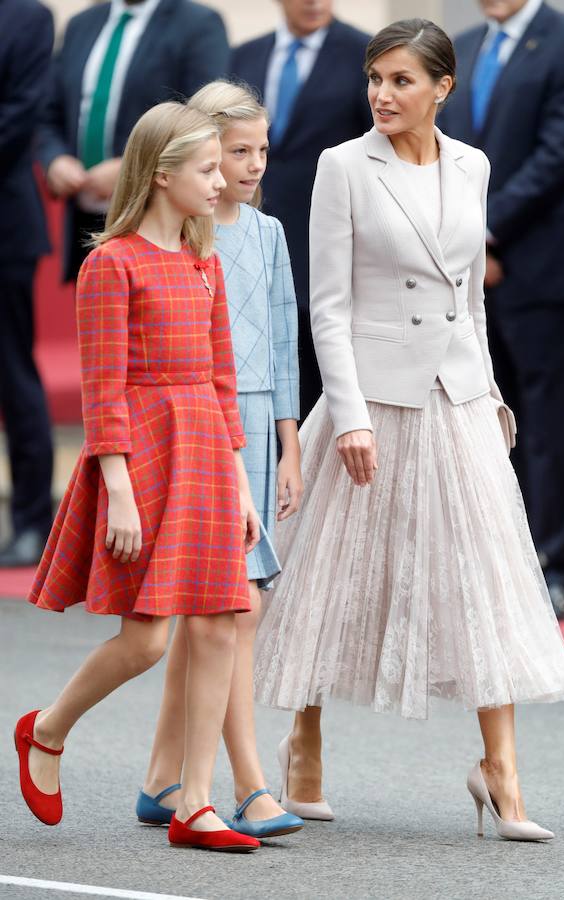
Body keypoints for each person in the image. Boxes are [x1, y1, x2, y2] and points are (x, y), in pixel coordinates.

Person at [252, 19, 564, 839]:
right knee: (335, 576)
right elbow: (326, 305)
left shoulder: (473, 165)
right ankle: (305, 741)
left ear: (442, 87)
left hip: (459, 396)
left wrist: (491, 393)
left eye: (401, 80)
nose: (382, 95)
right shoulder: (343, 166)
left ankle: (500, 774)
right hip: (375, 398)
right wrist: (351, 413)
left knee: (486, 578)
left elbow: (467, 297)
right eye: (375, 78)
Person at [15, 102, 262, 853]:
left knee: (222, 621)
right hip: (144, 455)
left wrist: (241, 480)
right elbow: (104, 389)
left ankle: (195, 803)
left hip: (207, 457)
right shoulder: (110, 262)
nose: (222, 182)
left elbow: (223, 382)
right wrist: (117, 485)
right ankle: (47, 729)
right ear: (162, 175)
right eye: (209, 169)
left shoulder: (205, 261)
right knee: (149, 641)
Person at [134, 81, 304, 840]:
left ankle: (162, 777)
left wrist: (291, 442)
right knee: (234, 610)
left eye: (261, 151)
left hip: (257, 425)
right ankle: (250, 783)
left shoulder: (267, 234)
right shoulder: (192, 238)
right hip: (203, 427)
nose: (252, 165)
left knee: (217, 613)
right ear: (201, 154)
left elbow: (282, 338)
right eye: (237, 152)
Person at [438, 0, 564, 620]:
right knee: (482, 422)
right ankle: (499, 564)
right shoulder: (466, 45)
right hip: (470, 275)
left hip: (540, 268)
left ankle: (557, 569)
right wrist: (464, 240)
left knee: (550, 426)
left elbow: (560, 154)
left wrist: (485, 232)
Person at [230, 0, 372, 421]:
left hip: (326, 242)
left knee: (317, 378)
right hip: (252, 238)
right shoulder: (246, 55)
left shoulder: (362, 54)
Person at [37, 0, 229, 282]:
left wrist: (133, 168)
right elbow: (47, 113)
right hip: (84, 210)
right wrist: (54, 159)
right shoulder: (81, 25)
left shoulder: (198, 24)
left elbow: (202, 117)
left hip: (154, 216)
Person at [0, 0, 54, 568]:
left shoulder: (29, 17)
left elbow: (19, 117)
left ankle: (32, 520)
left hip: (5, 229)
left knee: (13, 373)